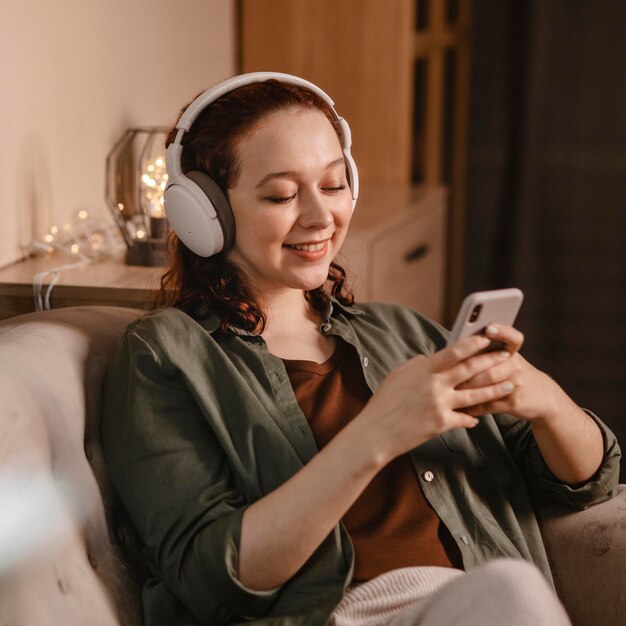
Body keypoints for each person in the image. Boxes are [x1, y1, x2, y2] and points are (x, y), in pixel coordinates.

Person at [101, 73, 620, 626]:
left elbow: (589, 483)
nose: (321, 216)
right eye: (281, 195)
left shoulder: (400, 331)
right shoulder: (164, 357)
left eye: (332, 184)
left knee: (511, 592)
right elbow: (214, 579)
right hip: (348, 614)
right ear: (204, 212)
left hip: (474, 601)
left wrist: (541, 398)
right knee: (513, 592)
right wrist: (377, 433)